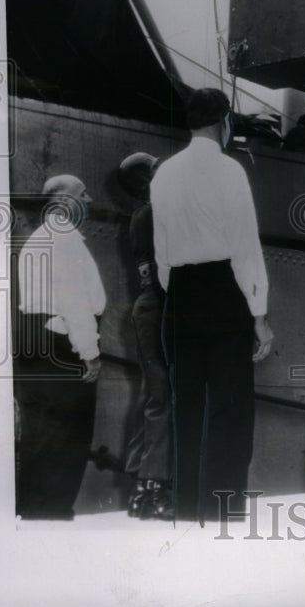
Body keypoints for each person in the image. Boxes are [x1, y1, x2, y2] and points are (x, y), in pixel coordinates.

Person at [150, 88, 274, 523]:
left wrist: (179, 295)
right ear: (223, 122)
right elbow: (244, 247)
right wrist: (258, 315)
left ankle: (186, 511)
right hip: (223, 291)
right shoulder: (229, 170)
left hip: (180, 294)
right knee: (230, 407)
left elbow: (162, 254)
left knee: (186, 409)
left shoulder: (163, 173)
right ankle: (222, 512)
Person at [14, 175, 105, 519]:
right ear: (65, 202)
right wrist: (90, 354)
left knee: (41, 437)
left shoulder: (40, 238)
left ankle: (35, 516)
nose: (91, 198)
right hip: (61, 343)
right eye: (84, 193)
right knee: (68, 439)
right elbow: (74, 301)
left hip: (37, 343)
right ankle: (52, 517)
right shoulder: (64, 239)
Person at [117, 151, 173, 520]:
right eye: (157, 169)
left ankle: (142, 486)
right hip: (159, 308)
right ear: (147, 179)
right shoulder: (155, 213)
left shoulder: (142, 215)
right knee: (162, 399)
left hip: (148, 307)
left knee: (154, 397)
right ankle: (152, 491)